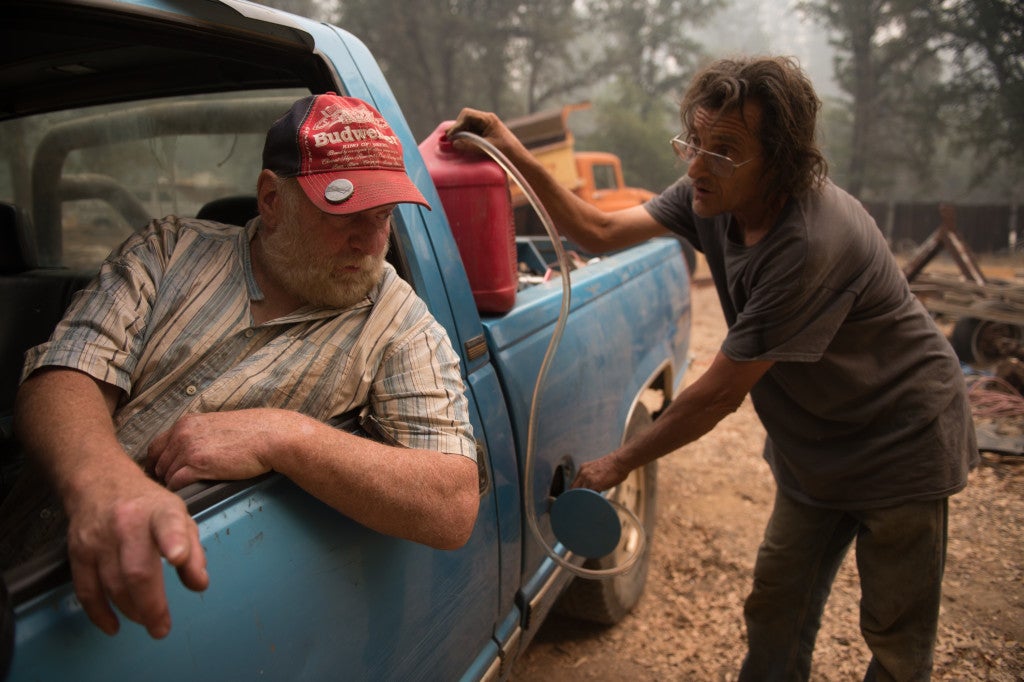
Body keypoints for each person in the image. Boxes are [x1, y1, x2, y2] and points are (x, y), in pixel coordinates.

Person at [448, 56, 977, 681]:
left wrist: (620, 461)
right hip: (815, 456)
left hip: (902, 443)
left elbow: (719, 394)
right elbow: (595, 228)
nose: (697, 164)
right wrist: (512, 149)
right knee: (776, 608)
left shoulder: (807, 244)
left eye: (723, 150)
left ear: (781, 158)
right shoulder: (713, 193)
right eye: (694, 141)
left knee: (894, 638)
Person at [13, 93, 479, 640]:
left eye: (382, 216)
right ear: (271, 200)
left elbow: (452, 505)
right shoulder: (168, 251)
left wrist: (286, 436)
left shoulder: (400, 327)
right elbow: (66, 371)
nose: (369, 241)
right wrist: (101, 483)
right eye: (343, 211)